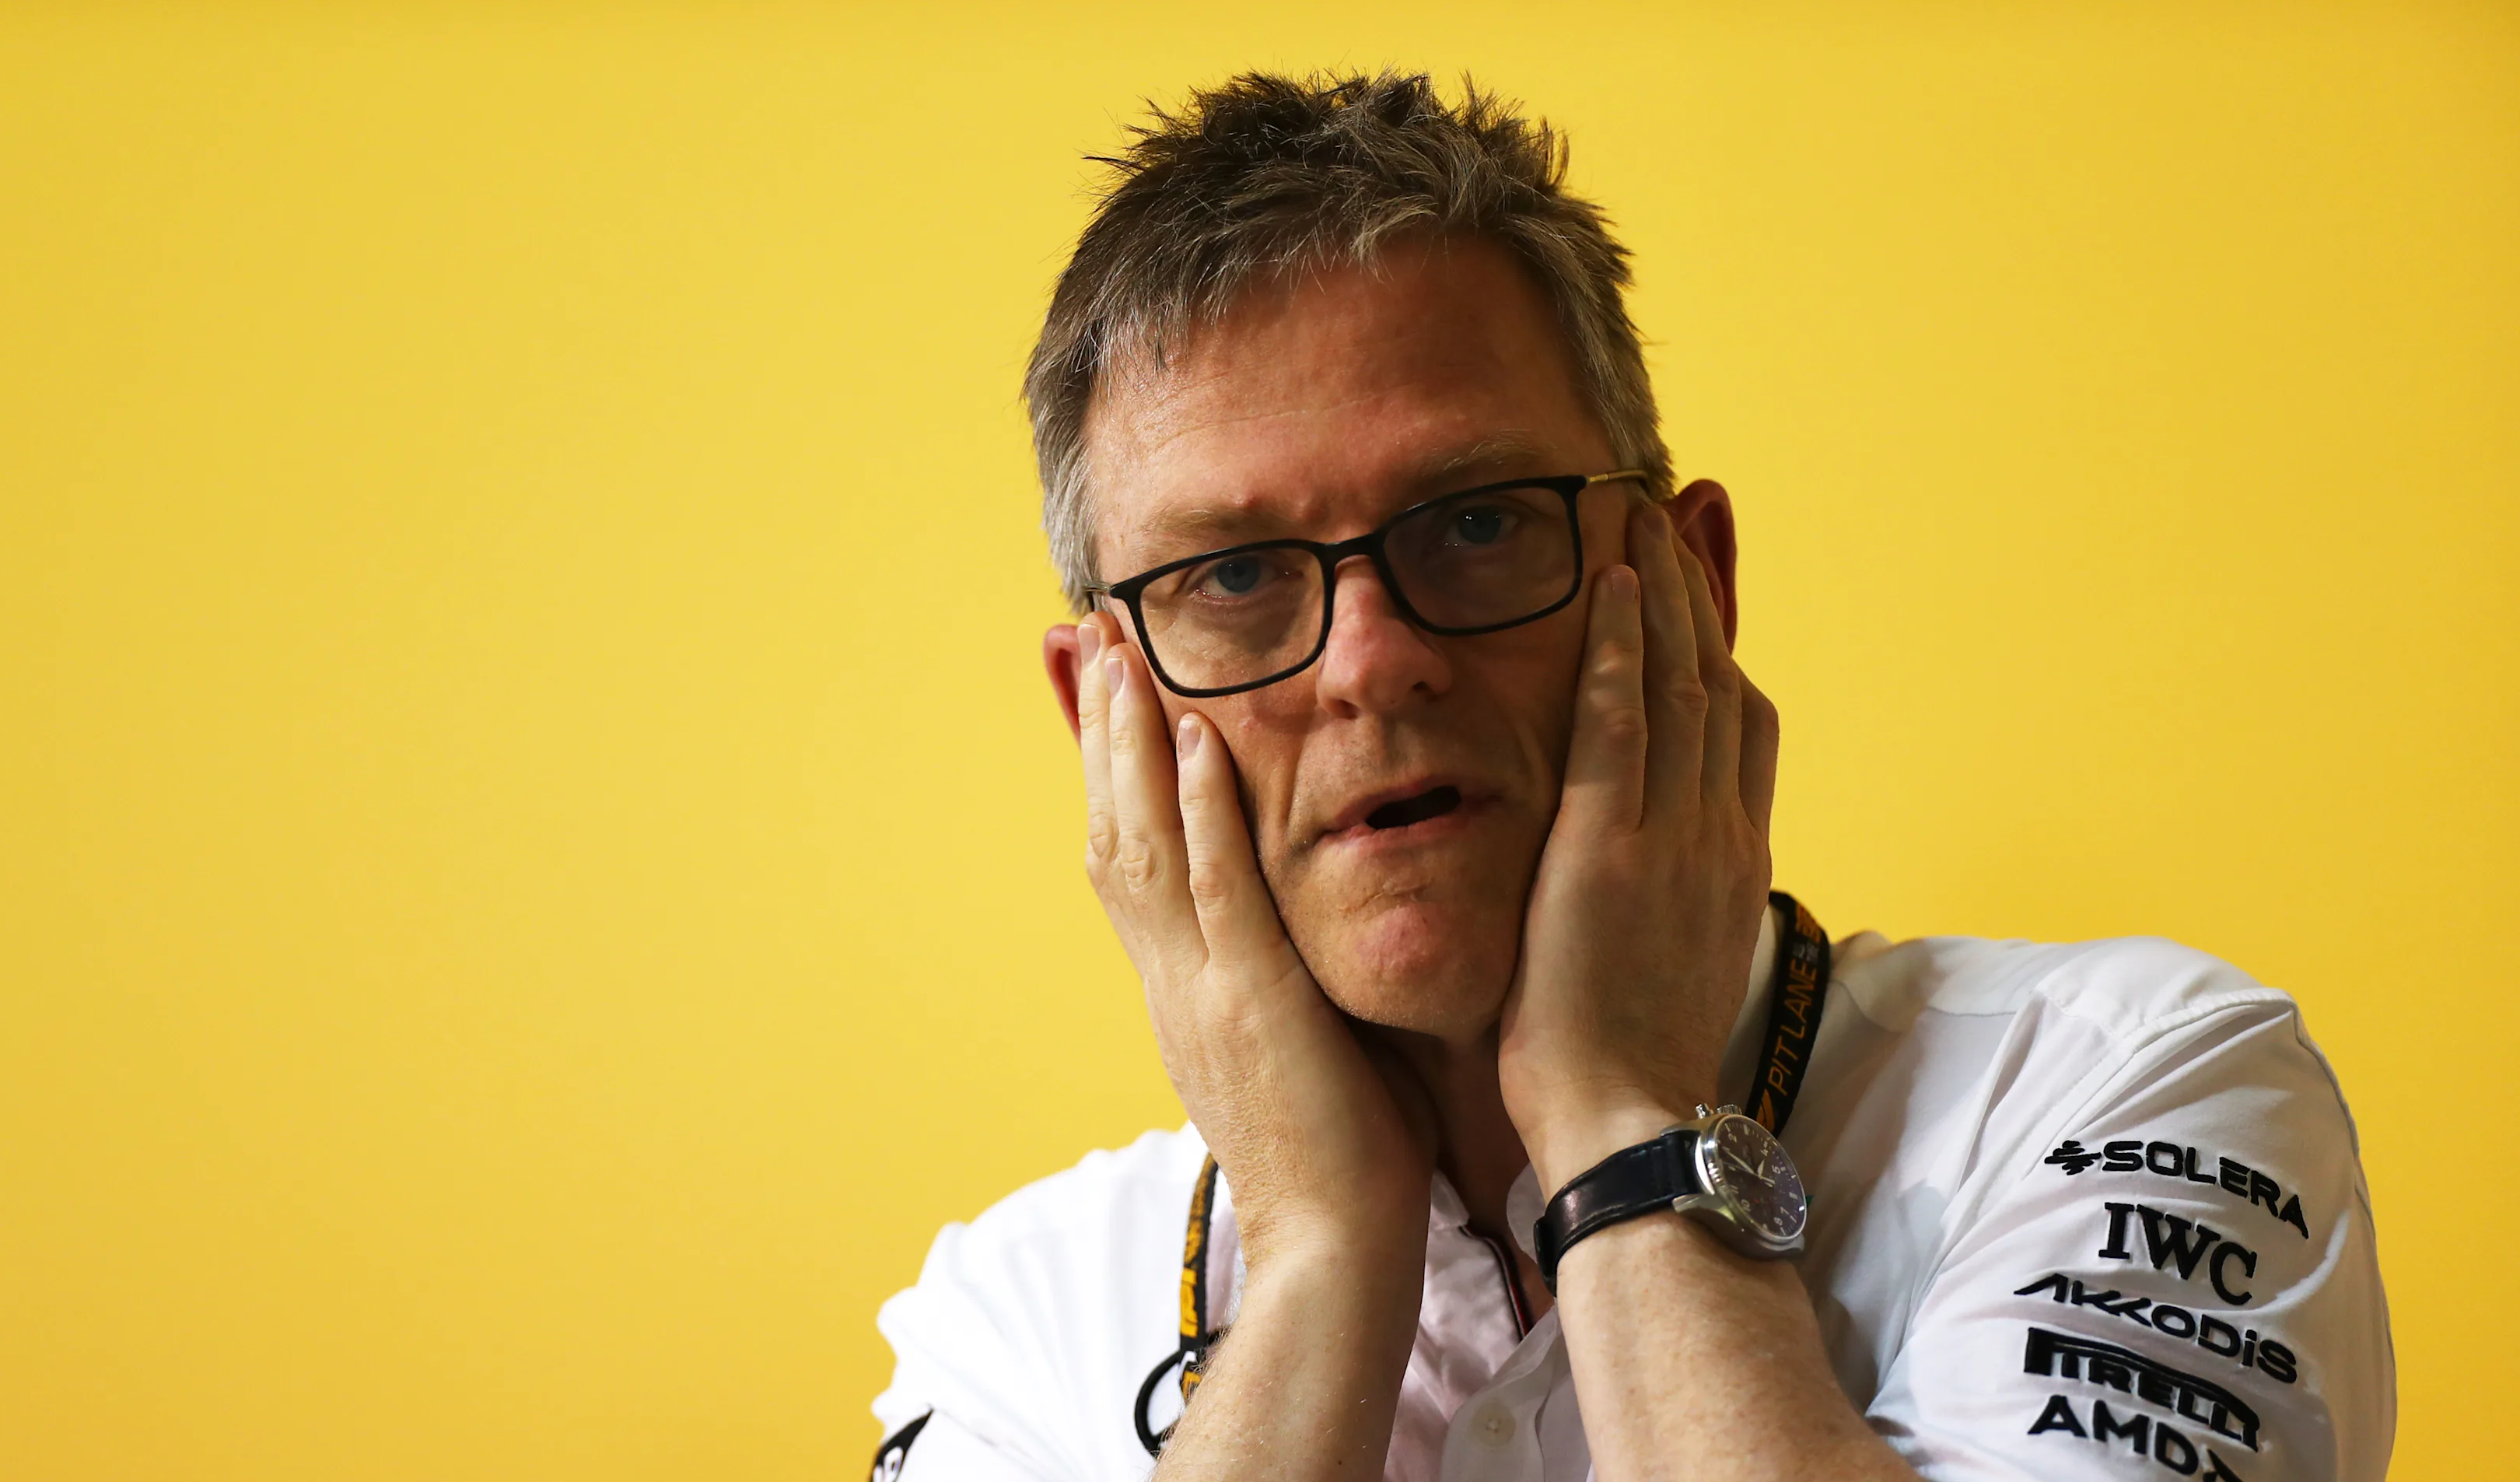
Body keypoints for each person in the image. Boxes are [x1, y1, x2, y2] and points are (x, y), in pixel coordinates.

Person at [865, 71, 2392, 1482]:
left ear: (1688, 582)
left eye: (1475, 522)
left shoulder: (2132, 1089)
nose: (1369, 662)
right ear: (1103, 716)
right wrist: (1322, 1244)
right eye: (1237, 573)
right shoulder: (1011, 1324)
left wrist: (1624, 1125)